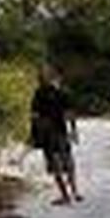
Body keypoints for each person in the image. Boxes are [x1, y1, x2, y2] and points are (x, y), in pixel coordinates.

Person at [30, 66, 82, 205]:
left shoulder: (39, 93)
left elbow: (35, 116)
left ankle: (66, 195)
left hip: (48, 133)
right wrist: (74, 130)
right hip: (60, 131)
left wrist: (34, 135)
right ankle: (74, 192)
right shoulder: (62, 92)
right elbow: (69, 113)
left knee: (56, 165)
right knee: (68, 161)